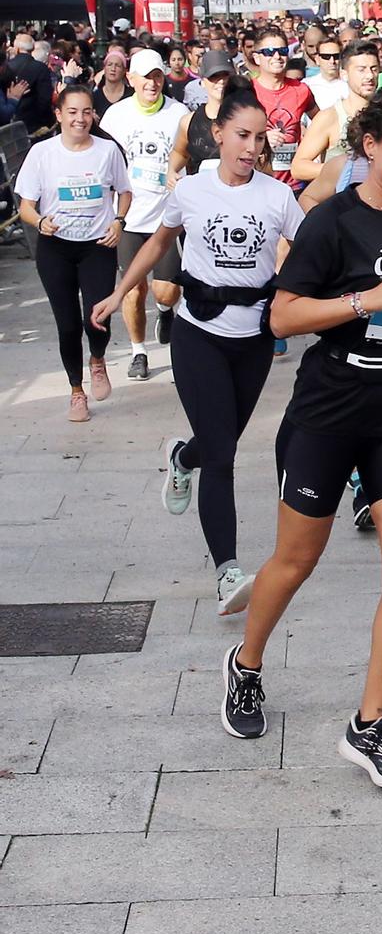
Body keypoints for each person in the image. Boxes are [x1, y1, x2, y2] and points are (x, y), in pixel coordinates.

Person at [222, 87, 382, 788]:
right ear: (370, 147)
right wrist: (367, 301)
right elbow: (282, 317)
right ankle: (247, 665)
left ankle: (370, 725)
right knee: (294, 563)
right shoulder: (330, 221)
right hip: (328, 410)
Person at [95, 91, 301, 616]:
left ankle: (181, 457)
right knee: (225, 456)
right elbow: (158, 243)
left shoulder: (277, 199)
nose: (252, 148)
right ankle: (227, 572)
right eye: (242, 136)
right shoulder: (191, 190)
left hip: (253, 338)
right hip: (198, 333)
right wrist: (121, 292)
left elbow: (313, 251)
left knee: (218, 442)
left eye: (260, 138)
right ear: (220, 135)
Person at [16, 83, 130, 421]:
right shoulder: (42, 153)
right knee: (67, 326)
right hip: (56, 249)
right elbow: (25, 207)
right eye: (72, 112)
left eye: (85, 112)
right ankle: (76, 391)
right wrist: (40, 222)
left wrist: (119, 222)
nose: (80, 119)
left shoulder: (108, 150)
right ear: (59, 115)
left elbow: (124, 192)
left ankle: (97, 358)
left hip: (98, 245)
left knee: (97, 317)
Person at [101, 49, 191, 381]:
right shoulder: (114, 116)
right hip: (127, 217)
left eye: (156, 76)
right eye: (144, 77)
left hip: (165, 218)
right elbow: (103, 162)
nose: (151, 84)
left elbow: (188, 155)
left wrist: (181, 175)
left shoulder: (178, 113)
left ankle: (166, 311)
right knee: (132, 288)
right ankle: (139, 352)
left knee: (165, 290)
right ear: (131, 79)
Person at [291, 39, 381, 187]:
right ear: (344, 74)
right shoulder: (330, 117)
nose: (369, 76)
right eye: (361, 69)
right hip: (341, 202)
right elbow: (299, 168)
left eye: (374, 68)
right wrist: (347, 171)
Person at [246, 25, 315, 184]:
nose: (277, 56)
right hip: (258, 182)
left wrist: (309, 142)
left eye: (282, 51)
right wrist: (261, 139)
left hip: (295, 184)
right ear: (257, 58)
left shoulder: (301, 89)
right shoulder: (247, 91)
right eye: (269, 52)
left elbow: (321, 121)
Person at [173, 52, 253, 179]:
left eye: (226, 76)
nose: (221, 81)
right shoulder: (189, 122)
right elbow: (180, 153)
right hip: (200, 196)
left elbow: (263, 165)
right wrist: (171, 172)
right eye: (214, 76)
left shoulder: (248, 120)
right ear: (203, 82)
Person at [9, 26, 55, 137]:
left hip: (10, 121)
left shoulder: (7, 67)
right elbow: (45, 99)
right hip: (34, 123)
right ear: (33, 48)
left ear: (17, 49)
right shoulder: (40, 68)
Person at [305, 33, 350, 114]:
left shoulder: (351, 85)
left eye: (336, 56)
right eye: (326, 57)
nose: (332, 61)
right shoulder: (306, 86)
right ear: (317, 59)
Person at [91, 46, 132, 117]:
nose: (113, 69)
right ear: (104, 68)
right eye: (109, 65)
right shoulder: (94, 96)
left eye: (118, 66)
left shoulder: (131, 95)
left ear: (124, 70)